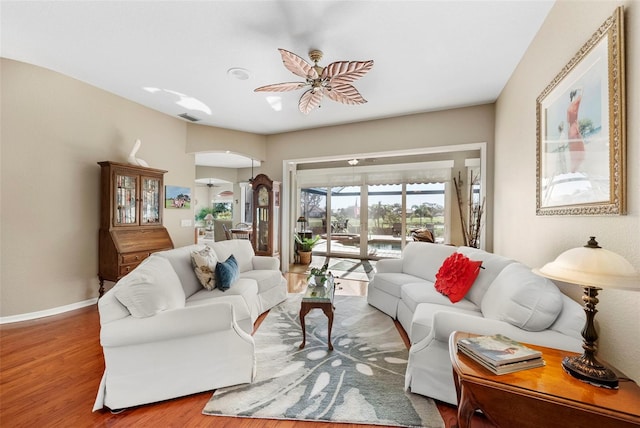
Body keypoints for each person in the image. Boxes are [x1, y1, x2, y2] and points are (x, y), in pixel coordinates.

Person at [567, 88, 585, 172]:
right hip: (574, 129)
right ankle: (576, 169)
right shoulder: (574, 105)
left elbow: (568, 122)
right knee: (579, 150)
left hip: (570, 131)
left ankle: (574, 170)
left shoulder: (568, 108)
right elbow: (582, 93)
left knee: (574, 151)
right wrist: (578, 89)